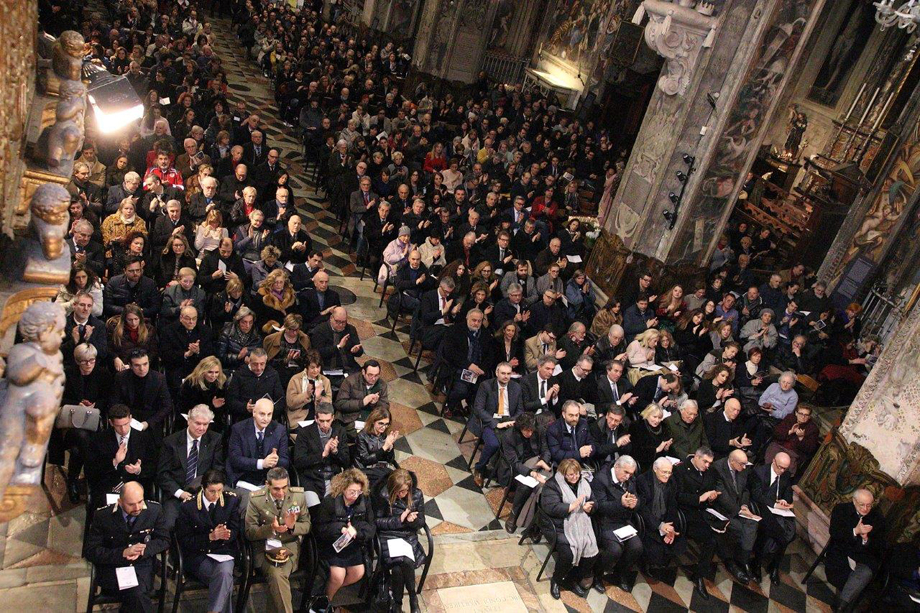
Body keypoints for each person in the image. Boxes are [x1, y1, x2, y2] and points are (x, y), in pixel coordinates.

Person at [83, 482, 170, 613]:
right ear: (120, 501)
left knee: (136, 595)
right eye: (131, 504)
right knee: (138, 595)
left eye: (140, 501)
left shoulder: (154, 510)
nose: (137, 507)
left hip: (142, 567)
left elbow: (164, 539)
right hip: (113, 569)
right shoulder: (103, 516)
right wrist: (122, 553)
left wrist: (144, 549)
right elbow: (91, 551)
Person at [244, 467, 311, 613]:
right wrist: (271, 529)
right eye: (276, 489)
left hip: (289, 546)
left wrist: (292, 526)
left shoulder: (298, 496)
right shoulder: (256, 499)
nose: (281, 493)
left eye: (284, 487)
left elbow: (307, 525)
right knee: (276, 574)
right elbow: (249, 532)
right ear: (267, 485)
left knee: (277, 576)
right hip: (265, 547)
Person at [174, 470, 240, 613]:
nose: (216, 496)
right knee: (224, 578)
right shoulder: (188, 507)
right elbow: (185, 540)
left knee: (224, 574)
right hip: (199, 556)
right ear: (203, 488)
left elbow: (235, 530)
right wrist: (210, 537)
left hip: (223, 553)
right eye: (212, 491)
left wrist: (227, 534)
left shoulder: (231, 501)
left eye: (220, 491)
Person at [315, 469, 375, 608]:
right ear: (343, 488)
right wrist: (339, 528)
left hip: (353, 543)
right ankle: (327, 601)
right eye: (352, 491)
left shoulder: (364, 500)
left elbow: (371, 526)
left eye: (358, 491)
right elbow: (320, 529)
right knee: (338, 575)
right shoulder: (330, 501)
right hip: (332, 544)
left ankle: (325, 592)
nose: (355, 496)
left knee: (358, 573)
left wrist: (357, 533)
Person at [157, 404, 225, 526]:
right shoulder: (170, 442)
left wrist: (206, 491)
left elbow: (217, 469)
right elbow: (162, 474)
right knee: (168, 524)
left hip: (204, 494)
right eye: (198, 423)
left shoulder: (214, 440)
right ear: (188, 421)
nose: (201, 428)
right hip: (177, 494)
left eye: (205, 424)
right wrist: (180, 493)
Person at [541, 458, 598, 600]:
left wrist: (589, 508)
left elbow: (594, 501)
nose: (575, 477)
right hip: (558, 524)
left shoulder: (584, 483)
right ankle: (557, 580)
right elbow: (550, 507)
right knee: (568, 554)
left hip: (581, 523)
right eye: (571, 475)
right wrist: (570, 507)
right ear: (563, 474)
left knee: (592, 550)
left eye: (577, 474)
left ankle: (571, 579)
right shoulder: (552, 485)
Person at [673, 446, 723, 601]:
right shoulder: (680, 470)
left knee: (722, 531)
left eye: (710, 462)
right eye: (705, 461)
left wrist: (712, 496)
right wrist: (699, 498)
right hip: (687, 512)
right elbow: (677, 496)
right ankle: (699, 576)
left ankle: (707, 567)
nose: (707, 465)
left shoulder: (711, 472)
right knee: (711, 540)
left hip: (704, 510)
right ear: (696, 457)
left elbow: (711, 488)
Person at [825, 489, 887, 611]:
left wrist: (865, 539)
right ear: (854, 501)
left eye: (869, 505)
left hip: (862, 557)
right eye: (862, 505)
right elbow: (835, 533)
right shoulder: (841, 510)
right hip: (841, 552)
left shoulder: (877, 518)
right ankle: (842, 604)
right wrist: (855, 531)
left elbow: (880, 546)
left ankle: (840, 606)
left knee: (865, 573)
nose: (865, 509)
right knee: (846, 576)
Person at [375, 469, 425, 613]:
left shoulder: (417, 495)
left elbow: (421, 522)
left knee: (399, 567)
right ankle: (413, 597)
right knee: (404, 561)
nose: (401, 495)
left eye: (404, 491)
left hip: (408, 535)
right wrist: (400, 519)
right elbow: (377, 522)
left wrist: (411, 521)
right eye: (398, 491)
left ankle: (397, 604)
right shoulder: (383, 495)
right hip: (389, 536)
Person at [590, 455, 643, 593]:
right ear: (616, 467)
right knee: (615, 549)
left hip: (623, 522)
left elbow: (637, 500)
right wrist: (620, 504)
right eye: (626, 472)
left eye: (631, 473)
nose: (628, 476)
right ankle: (597, 575)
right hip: (605, 522)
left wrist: (634, 504)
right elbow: (599, 507)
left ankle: (620, 573)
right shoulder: (601, 480)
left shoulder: (630, 480)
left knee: (637, 547)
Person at [469, 362, 523, 486]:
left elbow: (520, 410)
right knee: (494, 444)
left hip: (509, 421)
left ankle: (502, 474)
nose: (506, 376)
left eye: (508, 374)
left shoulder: (516, 388)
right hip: (490, 421)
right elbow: (478, 409)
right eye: (503, 373)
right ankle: (480, 468)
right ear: (497, 373)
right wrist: (495, 424)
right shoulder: (486, 386)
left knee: (516, 445)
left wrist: (512, 421)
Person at [748, 452, 796, 584]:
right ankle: (757, 563)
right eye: (780, 467)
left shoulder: (786, 475)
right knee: (774, 532)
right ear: (774, 461)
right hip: (762, 506)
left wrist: (785, 501)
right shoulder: (759, 472)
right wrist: (774, 504)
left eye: (784, 468)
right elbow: (757, 495)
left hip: (778, 510)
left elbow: (788, 494)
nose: (781, 471)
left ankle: (775, 565)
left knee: (790, 530)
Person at [712, 449, 759, 583]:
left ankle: (744, 561)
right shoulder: (718, 468)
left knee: (752, 523)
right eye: (742, 464)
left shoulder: (742, 468)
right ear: (732, 461)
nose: (744, 467)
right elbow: (721, 496)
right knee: (740, 529)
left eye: (745, 464)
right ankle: (731, 561)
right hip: (722, 510)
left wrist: (744, 506)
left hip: (739, 507)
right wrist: (739, 510)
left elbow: (745, 490)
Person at [635, 457, 686, 577]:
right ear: (655, 469)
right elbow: (642, 509)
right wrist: (659, 525)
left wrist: (670, 527)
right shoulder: (642, 480)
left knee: (679, 544)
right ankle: (646, 563)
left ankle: (661, 560)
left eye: (669, 472)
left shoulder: (672, 481)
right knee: (655, 551)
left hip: (665, 519)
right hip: (649, 522)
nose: (667, 475)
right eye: (664, 472)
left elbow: (673, 505)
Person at [292, 403, 351, 503]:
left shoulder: (340, 432)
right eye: (321, 421)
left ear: (333, 418)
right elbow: (299, 461)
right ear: (316, 419)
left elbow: (346, 462)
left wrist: (336, 452)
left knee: (333, 508)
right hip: (312, 479)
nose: (325, 424)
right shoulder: (305, 432)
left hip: (333, 479)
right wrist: (323, 454)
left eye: (328, 421)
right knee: (315, 507)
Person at [226, 398, 289, 490]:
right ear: (254, 412)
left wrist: (275, 460)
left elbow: (285, 461)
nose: (266, 419)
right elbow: (235, 459)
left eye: (269, 414)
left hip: (271, 482)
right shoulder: (238, 429)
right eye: (262, 414)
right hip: (244, 480)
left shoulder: (279, 430)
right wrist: (262, 463)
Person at [442, 309, 493, 416]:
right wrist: (468, 365)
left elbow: (490, 355)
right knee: (461, 391)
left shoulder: (485, 334)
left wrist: (481, 369)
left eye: (479, 321)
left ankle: (466, 405)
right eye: (474, 320)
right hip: (459, 367)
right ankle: (450, 404)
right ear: (467, 318)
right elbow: (450, 352)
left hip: (478, 371)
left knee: (482, 391)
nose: (476, 323)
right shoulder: (455, 330)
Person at [111, 348, 173, 437]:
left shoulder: (159, 378)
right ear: (130, 365)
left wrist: (149, 423)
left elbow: (167, 405)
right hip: (127, 417)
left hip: (151, 418)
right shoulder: (121, 377)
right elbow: (114, 402)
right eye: (137, 365)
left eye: (145, 364)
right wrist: (125, 419)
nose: (142, 368)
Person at [160, 305, 216, 393]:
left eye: (194, 318)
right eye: (187, 318)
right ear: (181, 317)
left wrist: (198, 351)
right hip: (177, 367)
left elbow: (210, 353)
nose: (191, 322)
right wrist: (186, 354)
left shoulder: (205, 330)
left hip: (199, 367)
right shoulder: (168, 331)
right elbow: (165, 355)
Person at [334, 359, 389, 441]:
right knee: (361, 438)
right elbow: (340, 403)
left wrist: (375, 404)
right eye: (370, 375)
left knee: (378, 435)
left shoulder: (382, 385)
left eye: (376, 375)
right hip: (351, 419)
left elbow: (385, 407)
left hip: (371, 420)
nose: (373, 378)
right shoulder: (350, 381)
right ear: (363, 372)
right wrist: (362, 402)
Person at [226, 348, 285, 422]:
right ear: (249, 361)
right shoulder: (239, 374)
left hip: (268, 419)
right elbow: (231, 401)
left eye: (262, 364)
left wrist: (270, 410)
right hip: (245, 418)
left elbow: (281, 400)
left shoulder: (272, 374)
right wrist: (245, 407)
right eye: (255, 364)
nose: (259, 368)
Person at [309, 306, 364, 377]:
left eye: (344, 322)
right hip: (329, 369)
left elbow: (359, 352)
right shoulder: (320, 330)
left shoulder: (351, 329)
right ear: (331, 318)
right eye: (338, 322)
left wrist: (357, 350)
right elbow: (318, 353)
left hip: (349, 367)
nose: (341, 325)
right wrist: (338, 347)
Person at [765, 404, 820, 474]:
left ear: (809, 417)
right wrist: (790, 431)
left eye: (806, 415)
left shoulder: (813, 429)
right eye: (801, 414)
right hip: (779, 446)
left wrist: (801, 438)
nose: (803, 417)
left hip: (794, 453)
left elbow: (810, 449)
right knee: (772, 462)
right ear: (796, 413)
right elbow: (776, 433)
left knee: (786, 469)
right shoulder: (790, 418)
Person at [286, 350, 333, 427]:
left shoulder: (325, 381)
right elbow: (290, 403)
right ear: (307, 367)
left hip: (319, 419)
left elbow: (329, 404)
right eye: (312, 367)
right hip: (299, 419)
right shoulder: (295, 379)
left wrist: (319, 397)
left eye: (318, 367)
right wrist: (306, 395)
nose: (316, 370)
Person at [355, 408, 400, 489]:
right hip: (367, 468)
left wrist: (390, 447)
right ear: (373, 421)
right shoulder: (362, 436)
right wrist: (385, 447)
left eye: (386, 424)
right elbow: (365, 460)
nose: (384, 427)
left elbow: (390, 460)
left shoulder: (385, 435)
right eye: (381, 423)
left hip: (382, 466)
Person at [629, 404, 674, 470]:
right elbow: (635, 451)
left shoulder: (664, 427)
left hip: (660, 462)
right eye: (654, 417)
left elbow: (668, 451)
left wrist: (666, 449)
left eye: (659, 418)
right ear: (647, 415)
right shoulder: (636, 426)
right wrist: (656, 450)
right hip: (643, 463)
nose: (657, 420)